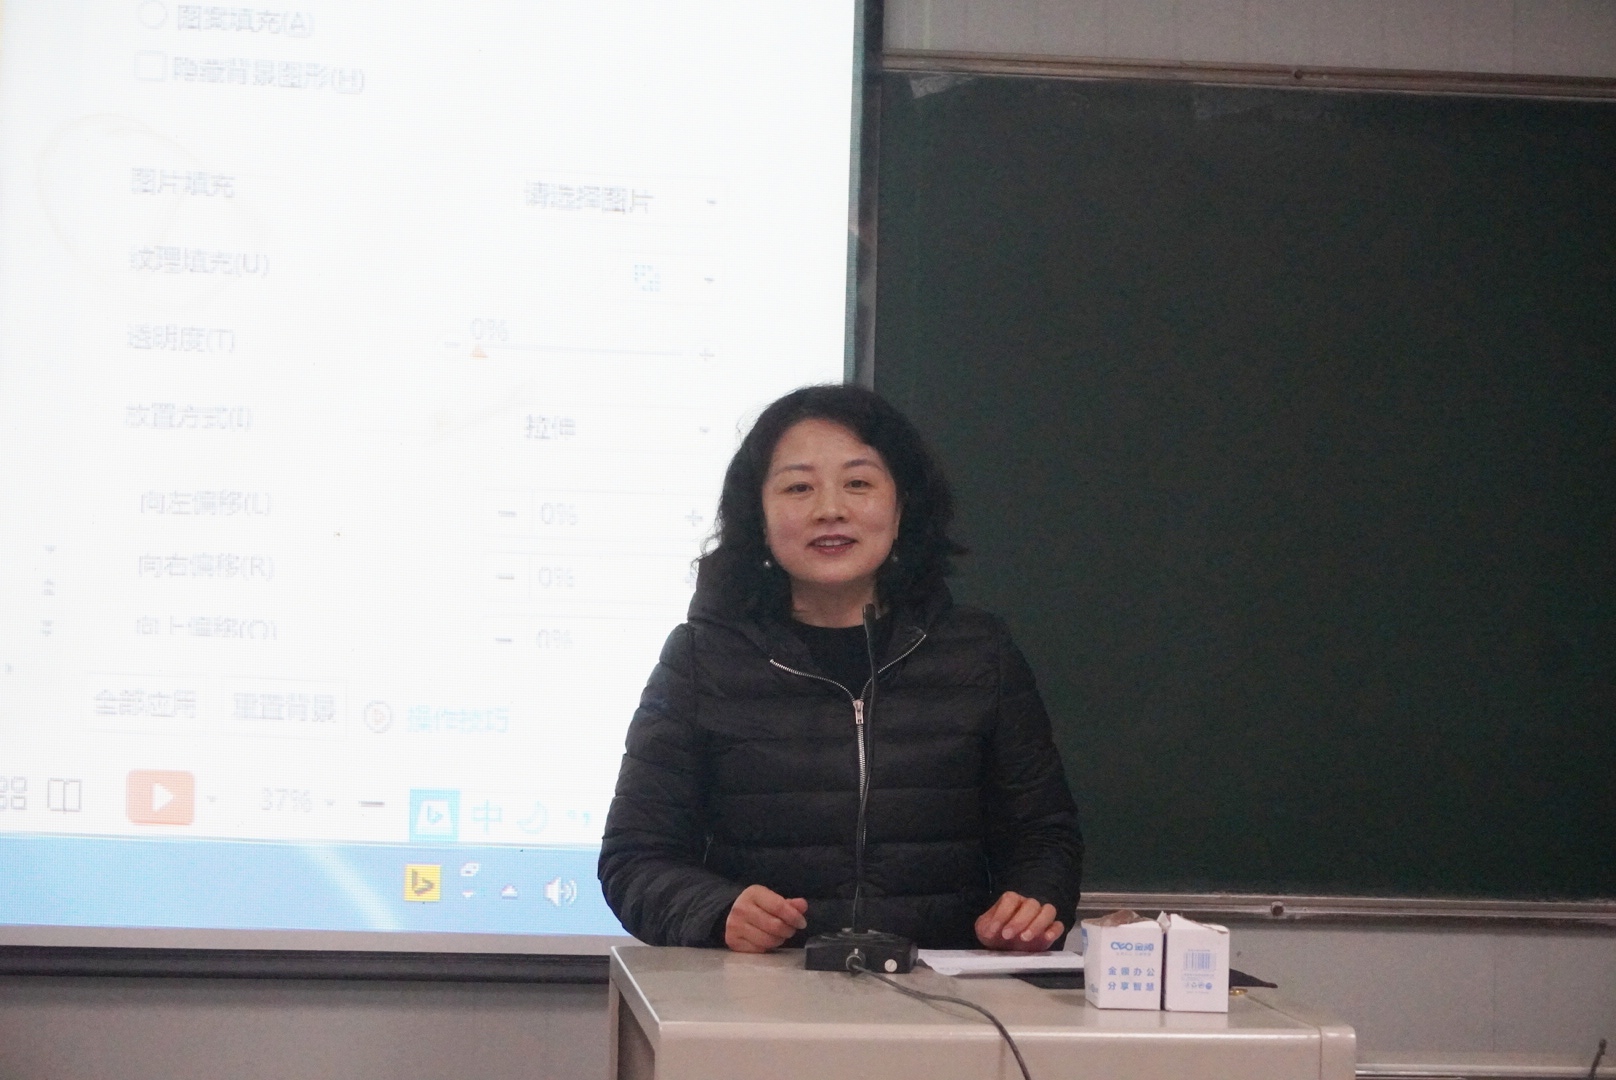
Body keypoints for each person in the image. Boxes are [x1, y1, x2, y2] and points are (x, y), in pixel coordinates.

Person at [598, 384, 1082, 953]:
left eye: (858, 483)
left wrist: (1032, 901)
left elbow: (1044, 837)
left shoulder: (979, 654)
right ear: (759, 516)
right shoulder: (701, 659)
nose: (830, 509)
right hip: (759, 989)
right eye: (798, 487)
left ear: (902, 508)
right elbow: (635, 858)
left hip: (944, 988)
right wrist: (717, 911)